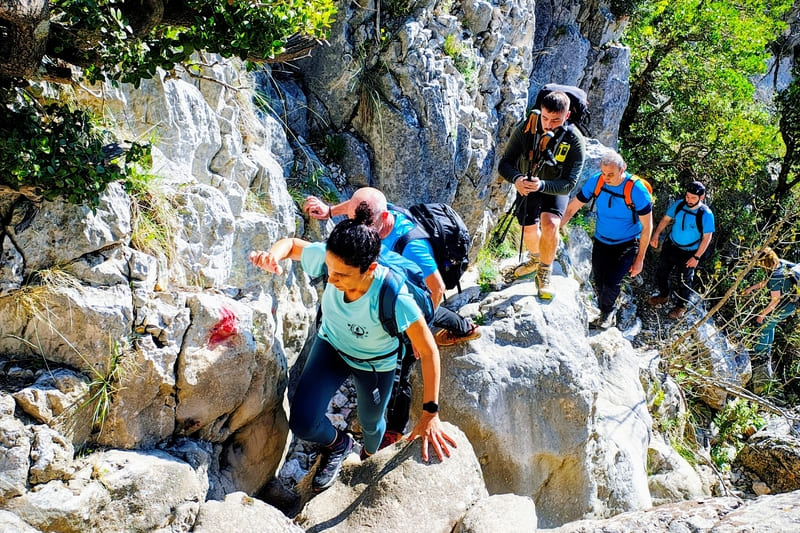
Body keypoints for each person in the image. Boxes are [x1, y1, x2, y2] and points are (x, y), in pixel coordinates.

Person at [249, 204, 456, 492]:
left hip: (374, 364)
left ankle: (367, 462)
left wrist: (430, 415)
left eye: (341, 276)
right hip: (331, 347)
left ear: (370, 268)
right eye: (330, 271)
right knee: (303, 422)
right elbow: (293, 245)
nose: (331, 280)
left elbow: (429, 351)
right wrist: (272, 254)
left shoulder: (394, 297)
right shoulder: (335, 259)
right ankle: (339, 445)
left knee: (372, 429)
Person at [304, 188, 480, 347]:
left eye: (366, 224)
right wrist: (330, 211)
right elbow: (356, 205)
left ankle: (464, 329)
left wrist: (421, 332)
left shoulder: (412, 248)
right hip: (395, 273)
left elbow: (437, 289)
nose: (359, 230)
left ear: (385, 217)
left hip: (416, 282)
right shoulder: (375, 212)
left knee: (412, 317)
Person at [498, 90, 586, 299]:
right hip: (527, 182)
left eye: (555, 120)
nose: (548, 124)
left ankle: (544, 271)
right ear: (540, 112)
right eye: (545, 118)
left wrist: (542, 185)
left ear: (567, 115)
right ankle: (535, 258)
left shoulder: (574, 140)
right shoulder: (528, 128)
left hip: (554, 185)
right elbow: (505, 163)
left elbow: (569, 184)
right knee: (528, 232)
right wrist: (517, 179)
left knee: (551, 224)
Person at [560, 150, 653, 329]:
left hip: (627, 242)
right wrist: (554, 231)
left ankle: (608, 312)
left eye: (610, 174)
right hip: (602, 240)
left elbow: (648, 227)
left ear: (622, 169)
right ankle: (606, 308)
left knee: (611, 282)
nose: (606, 177)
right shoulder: (597, 181)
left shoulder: (637, 190)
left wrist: (640, 259)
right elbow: (572, 208)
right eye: (603, 173)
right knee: (599, 280)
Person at [647, 181, 715, 319]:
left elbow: (707, 238)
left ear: (701, 197)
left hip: (690, 252)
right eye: (688, 196)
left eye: (693, 198)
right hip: (671, 245)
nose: (689, 200)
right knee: (661, 272)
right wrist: (656, 234)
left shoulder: (705, 214)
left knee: (684, 280)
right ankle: (663, 296)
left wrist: (696, 257)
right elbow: (666, 219)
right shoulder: (679, 204)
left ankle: (681, 307)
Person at [742, 247, 798, 379]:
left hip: (783, 306)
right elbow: (768, 282)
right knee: (770, 325)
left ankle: (759, 355)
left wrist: (762, 314)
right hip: (791, 304)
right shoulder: (781, 264)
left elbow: (775, 301)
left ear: (764, 263)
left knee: (762, 325)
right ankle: (765, 351)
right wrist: (752, 288)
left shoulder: (775, 276)